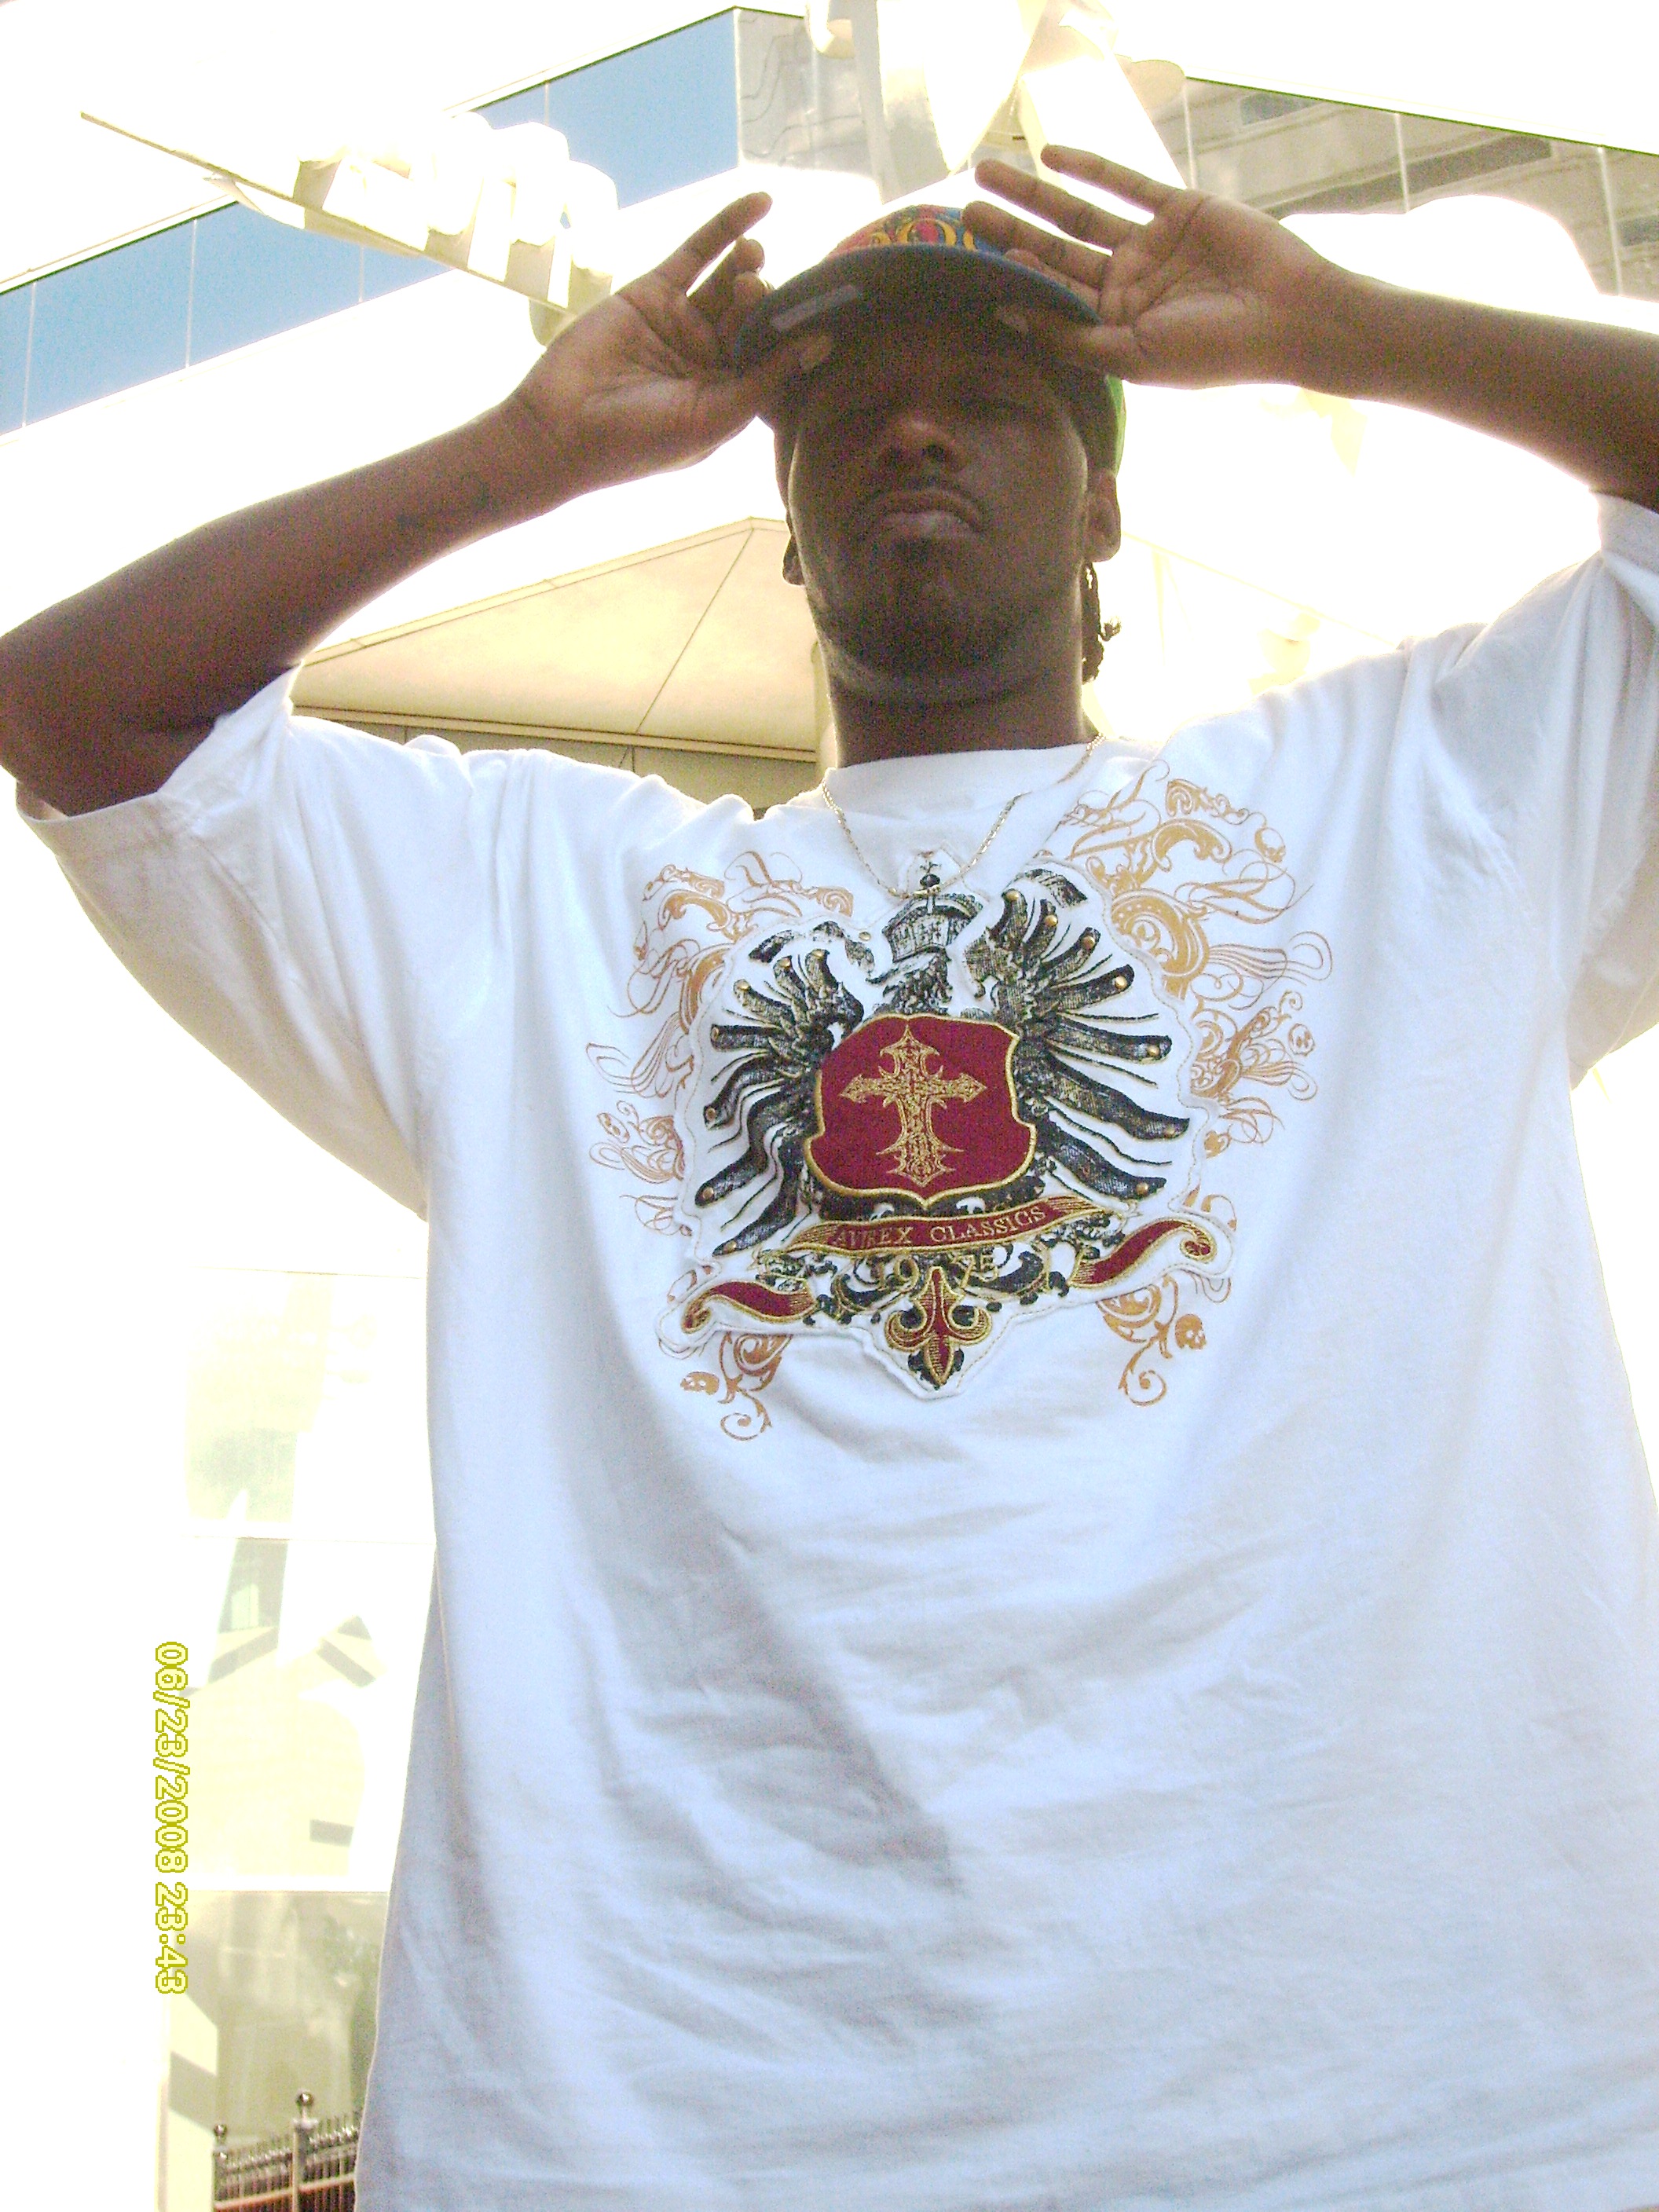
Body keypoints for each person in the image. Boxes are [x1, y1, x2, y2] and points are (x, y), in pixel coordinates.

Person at [4, 141, 1659, 2212]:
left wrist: (1350, 330)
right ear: (784, 526)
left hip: (1395, 2126)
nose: (913, 429)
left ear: (1106, 504)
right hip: (669, 2138)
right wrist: (523, 456)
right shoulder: (543, 905)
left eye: (998, 392)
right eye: (845, 406)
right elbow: (81, 713)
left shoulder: (1421, 802)